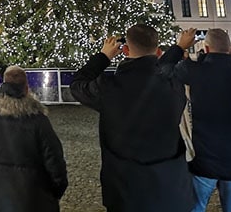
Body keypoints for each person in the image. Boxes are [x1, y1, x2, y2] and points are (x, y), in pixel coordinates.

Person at [70, 24, 193, 212]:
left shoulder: (108, 87)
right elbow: (161, 69)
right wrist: (177, 48)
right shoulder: (173, 85)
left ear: (125, 50)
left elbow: (77, 86)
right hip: (170, 188)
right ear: (158, 51)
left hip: (126, 192)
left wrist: (103, 57)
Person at [162, 28, 231, 212]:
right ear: (230, 49)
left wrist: (180, 46)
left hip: (205, 158)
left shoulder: (195, 71)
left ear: (206, 47)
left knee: (195, 207)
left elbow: (163, 68)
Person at [0, 65, 68, 212]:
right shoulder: (38, 119)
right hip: (35, 198)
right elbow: (55, 160)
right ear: (26, 88)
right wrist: (54, 191)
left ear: (3, 85)